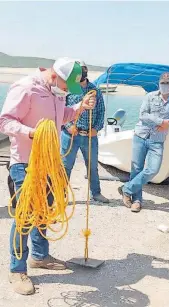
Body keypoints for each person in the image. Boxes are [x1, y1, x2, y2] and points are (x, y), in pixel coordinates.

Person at [0, 57, 96, 295]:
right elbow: (5, 121)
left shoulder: (58, 92)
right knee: (26, 215)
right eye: (66, 86)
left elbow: (61, 118)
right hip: (25, 163)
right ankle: (17, 268)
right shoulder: (25, 87)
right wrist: (33, 133)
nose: (67, 91)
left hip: (49, 163)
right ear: (55, 76)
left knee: (44, 210)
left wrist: (80, 107)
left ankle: (40, 256)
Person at [119, 72, 169, 213]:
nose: (165, 86)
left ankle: (127, 188)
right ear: (159, 84)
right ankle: (136, 201)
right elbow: (143, 115)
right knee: (136, 168)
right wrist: (161, 121)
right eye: (162, 83)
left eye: (168, 83)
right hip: (141, 135)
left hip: (157, 140)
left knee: (153, 169)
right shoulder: (150, 96)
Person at [61, 60, 109, 203]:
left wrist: (96, 128)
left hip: (89, 136)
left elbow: (101, 111)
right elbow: (61, 109)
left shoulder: (95, 90)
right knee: (65, 166)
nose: (80, 73)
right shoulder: (68, 89)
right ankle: (61, 195)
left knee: (92, 167)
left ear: (86, 70)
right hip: (70, 135)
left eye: (82, 70)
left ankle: (96, 193)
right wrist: (68, 125)